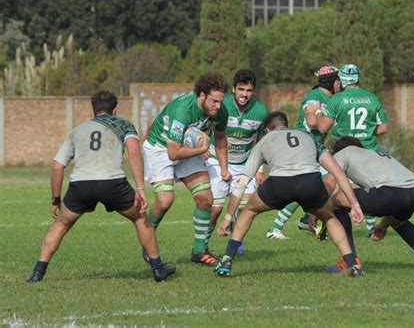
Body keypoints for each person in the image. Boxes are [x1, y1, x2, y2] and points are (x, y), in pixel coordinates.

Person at [27, 90, 175, 283]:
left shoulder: (77, 130)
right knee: (140, 217)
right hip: (112, 183)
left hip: (81, 184)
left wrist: (56, 200)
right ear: (115, 110)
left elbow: (57, 167)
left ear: (93, 110)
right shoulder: (123, 124)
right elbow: (133, 152)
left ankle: (38, 272)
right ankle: (157, 268)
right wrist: (140, 188)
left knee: (61, 224)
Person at [213, 111, 365, 277]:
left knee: (249, 210)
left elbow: (242, 182)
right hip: (310, 183)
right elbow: (338, 172)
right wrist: (355, 204)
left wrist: (228, 217)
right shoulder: (308, 136)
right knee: (329, 217)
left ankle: (227, 260)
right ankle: (353, 265)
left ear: (268, 129)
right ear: (285, 125)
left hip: (279, 184)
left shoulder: (265, 140)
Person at [143, 71, 230, 267]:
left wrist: (224, 168)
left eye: (221, 101)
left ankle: (199, 250)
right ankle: (147, 240)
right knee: (165, 201)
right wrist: (201, 149)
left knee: (206, 198)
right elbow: (173, 152)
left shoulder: (220, 112)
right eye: (214, 101)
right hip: (160, 147)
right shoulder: (183, 110)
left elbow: (222, 139)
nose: (218, 106)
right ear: (201, 95)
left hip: (187, 148)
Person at [322, 136, 414, 272]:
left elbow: (330, 183)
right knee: (399, 222)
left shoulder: (342, 153)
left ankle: (349, 261)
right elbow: (397, 192)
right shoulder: (372, 154)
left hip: (390, 192)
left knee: (334, 202)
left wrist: (318, 208)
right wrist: (383, 226)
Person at [309, 64, 389, 237]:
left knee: (332, 183)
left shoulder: (337, 99)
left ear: (342, 80)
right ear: (358, 78)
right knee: (368, 186)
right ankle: (370, 229)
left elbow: (322, 127)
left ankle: (318, 215)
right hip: (368, 150)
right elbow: (384, 128)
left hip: (343, 150)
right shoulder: (372, 98)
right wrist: (366, 131)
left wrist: (316, 111)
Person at [266, 65, 340, 241]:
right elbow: (312, 121)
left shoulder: (330, 98)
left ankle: (306, 220)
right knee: (310, 187)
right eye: (339, 81)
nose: (341, 85)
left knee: (324, 184)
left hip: (314, 147)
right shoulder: (315, 96)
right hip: (304, 147)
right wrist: (324, 115)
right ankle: (275, 228)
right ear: (332, 82)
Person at [205, 70, 268, 255]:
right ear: (233, 89)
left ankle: (235, 241)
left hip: (245, 164)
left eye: (249, 90)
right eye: (241, 89)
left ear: (254, 91)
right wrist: (201, 149)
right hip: (217, 160)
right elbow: (204, 127)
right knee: (215, 208)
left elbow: (262, 142)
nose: (244, 94)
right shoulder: (221, 106)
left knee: (245, 206)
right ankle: (203, 243)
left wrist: (259, 168)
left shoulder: (261, 111)